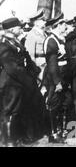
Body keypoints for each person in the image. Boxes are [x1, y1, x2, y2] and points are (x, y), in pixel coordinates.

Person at [0, 17, 46, 146]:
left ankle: (20, 137)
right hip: (10, 84)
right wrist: (28, 81)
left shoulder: (15, 42)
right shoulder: (3, 44)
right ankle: (8, 141)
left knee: (21, 111)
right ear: (12, 29)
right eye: (19, 27)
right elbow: (12, 68)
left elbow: (27, 59)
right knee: (10, 112)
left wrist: (36, 72)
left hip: (20, 82)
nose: (21, 28)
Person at [42, 13, 71, 143]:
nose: (65, 27)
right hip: (54, 78)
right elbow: (52, 64)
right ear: (58, 25)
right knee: (54, 106)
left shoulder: (59, 39)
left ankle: (62, 131)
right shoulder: (51, 41)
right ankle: (53, 135)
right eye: (63, 24)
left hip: (63, 76)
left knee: (64, 104)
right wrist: (57, 82)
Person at [24, 9, 47, 83]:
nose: (45, 22)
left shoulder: (44, 33)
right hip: (39, 65)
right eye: (43, 20)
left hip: (46, 64)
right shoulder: (32, 34)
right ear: (36, 22)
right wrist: (35, 69)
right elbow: (30, 55)